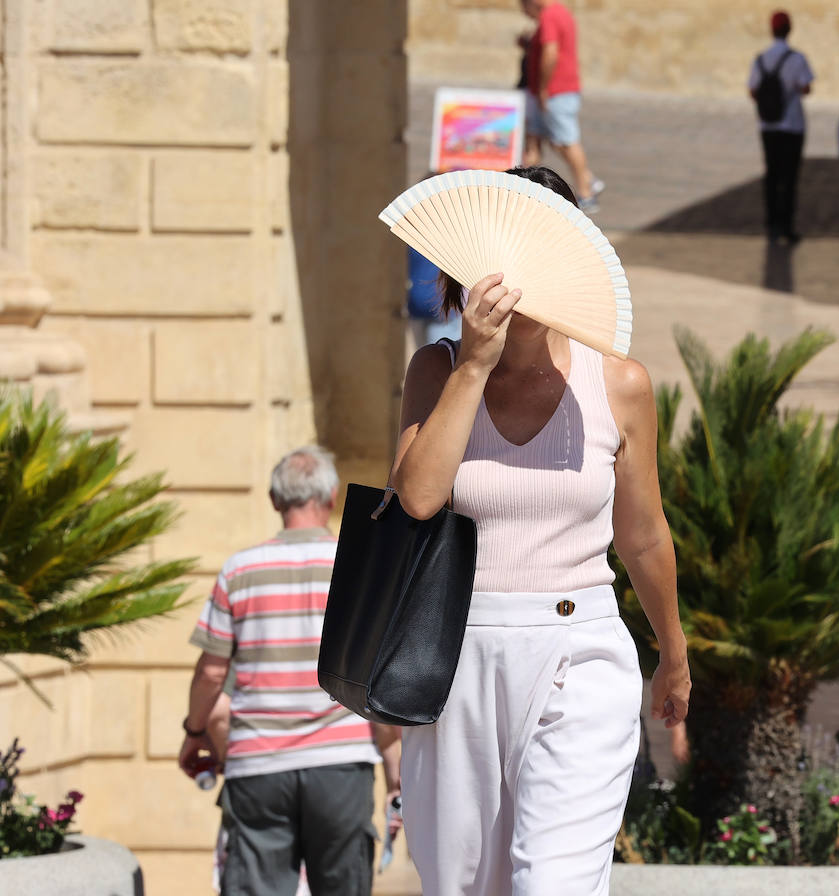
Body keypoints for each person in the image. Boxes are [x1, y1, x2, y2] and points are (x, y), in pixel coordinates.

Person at [390, 165, 691, 895]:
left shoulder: (619, 382)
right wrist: (473, 366)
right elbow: (418, 499)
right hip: (454, 656)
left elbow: (644, 535)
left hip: (579, 649)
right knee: (464, 884)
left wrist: (673, 655)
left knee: (553, 884)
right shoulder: (435, 369)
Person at [178, 446, 401, 896]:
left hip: (259, 765)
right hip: (341, 764)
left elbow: (210, 674)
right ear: (333, 497)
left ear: (275, 500)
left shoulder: (238, 571)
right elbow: (380, 677)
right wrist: (395, 773)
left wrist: (195, 729)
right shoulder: (356, 566)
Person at [520, 0, 604, 212]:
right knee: (541, 140)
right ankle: (521, 188)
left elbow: (551, 53)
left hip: (555, 92)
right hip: (552, 92)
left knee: (566, 141)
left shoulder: (549, 15)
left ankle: (586, 192)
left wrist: (543, 89)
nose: (522, 9)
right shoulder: (559, 12)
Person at [748, 10, 815, 245]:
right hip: (792, 125)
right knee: (789, 177)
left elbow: (753, 90)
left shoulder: (761, 58)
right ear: (789, 29)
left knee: (772, 175)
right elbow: (806, 88)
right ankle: (786, 226)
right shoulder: (797, 59)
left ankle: (771, 225)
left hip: (768, 125)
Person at [408, 245, 461, 351]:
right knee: (423, 361)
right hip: (416, 310)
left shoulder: (445, 239)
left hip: (443, 313)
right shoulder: (411, 239)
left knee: (443, 362)